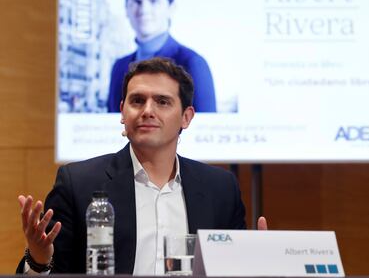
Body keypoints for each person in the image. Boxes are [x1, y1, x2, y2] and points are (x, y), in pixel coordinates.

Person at [17, 57, 267, 274]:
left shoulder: (221, 189)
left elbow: (232, 272)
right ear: (122, 113)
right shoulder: (78, 183)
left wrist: (258, 263)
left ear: (186, 117)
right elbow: (47, 271)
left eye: (162, 102)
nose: (147, 111)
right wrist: (39, 259)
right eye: (137, 100)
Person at [107, 0, 216, 113]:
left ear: (171, 8)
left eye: (153, 1)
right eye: (136, 1)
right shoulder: (119, 67)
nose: (144, 9)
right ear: (126, 9)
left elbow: (204, 130)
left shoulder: (192, 63)